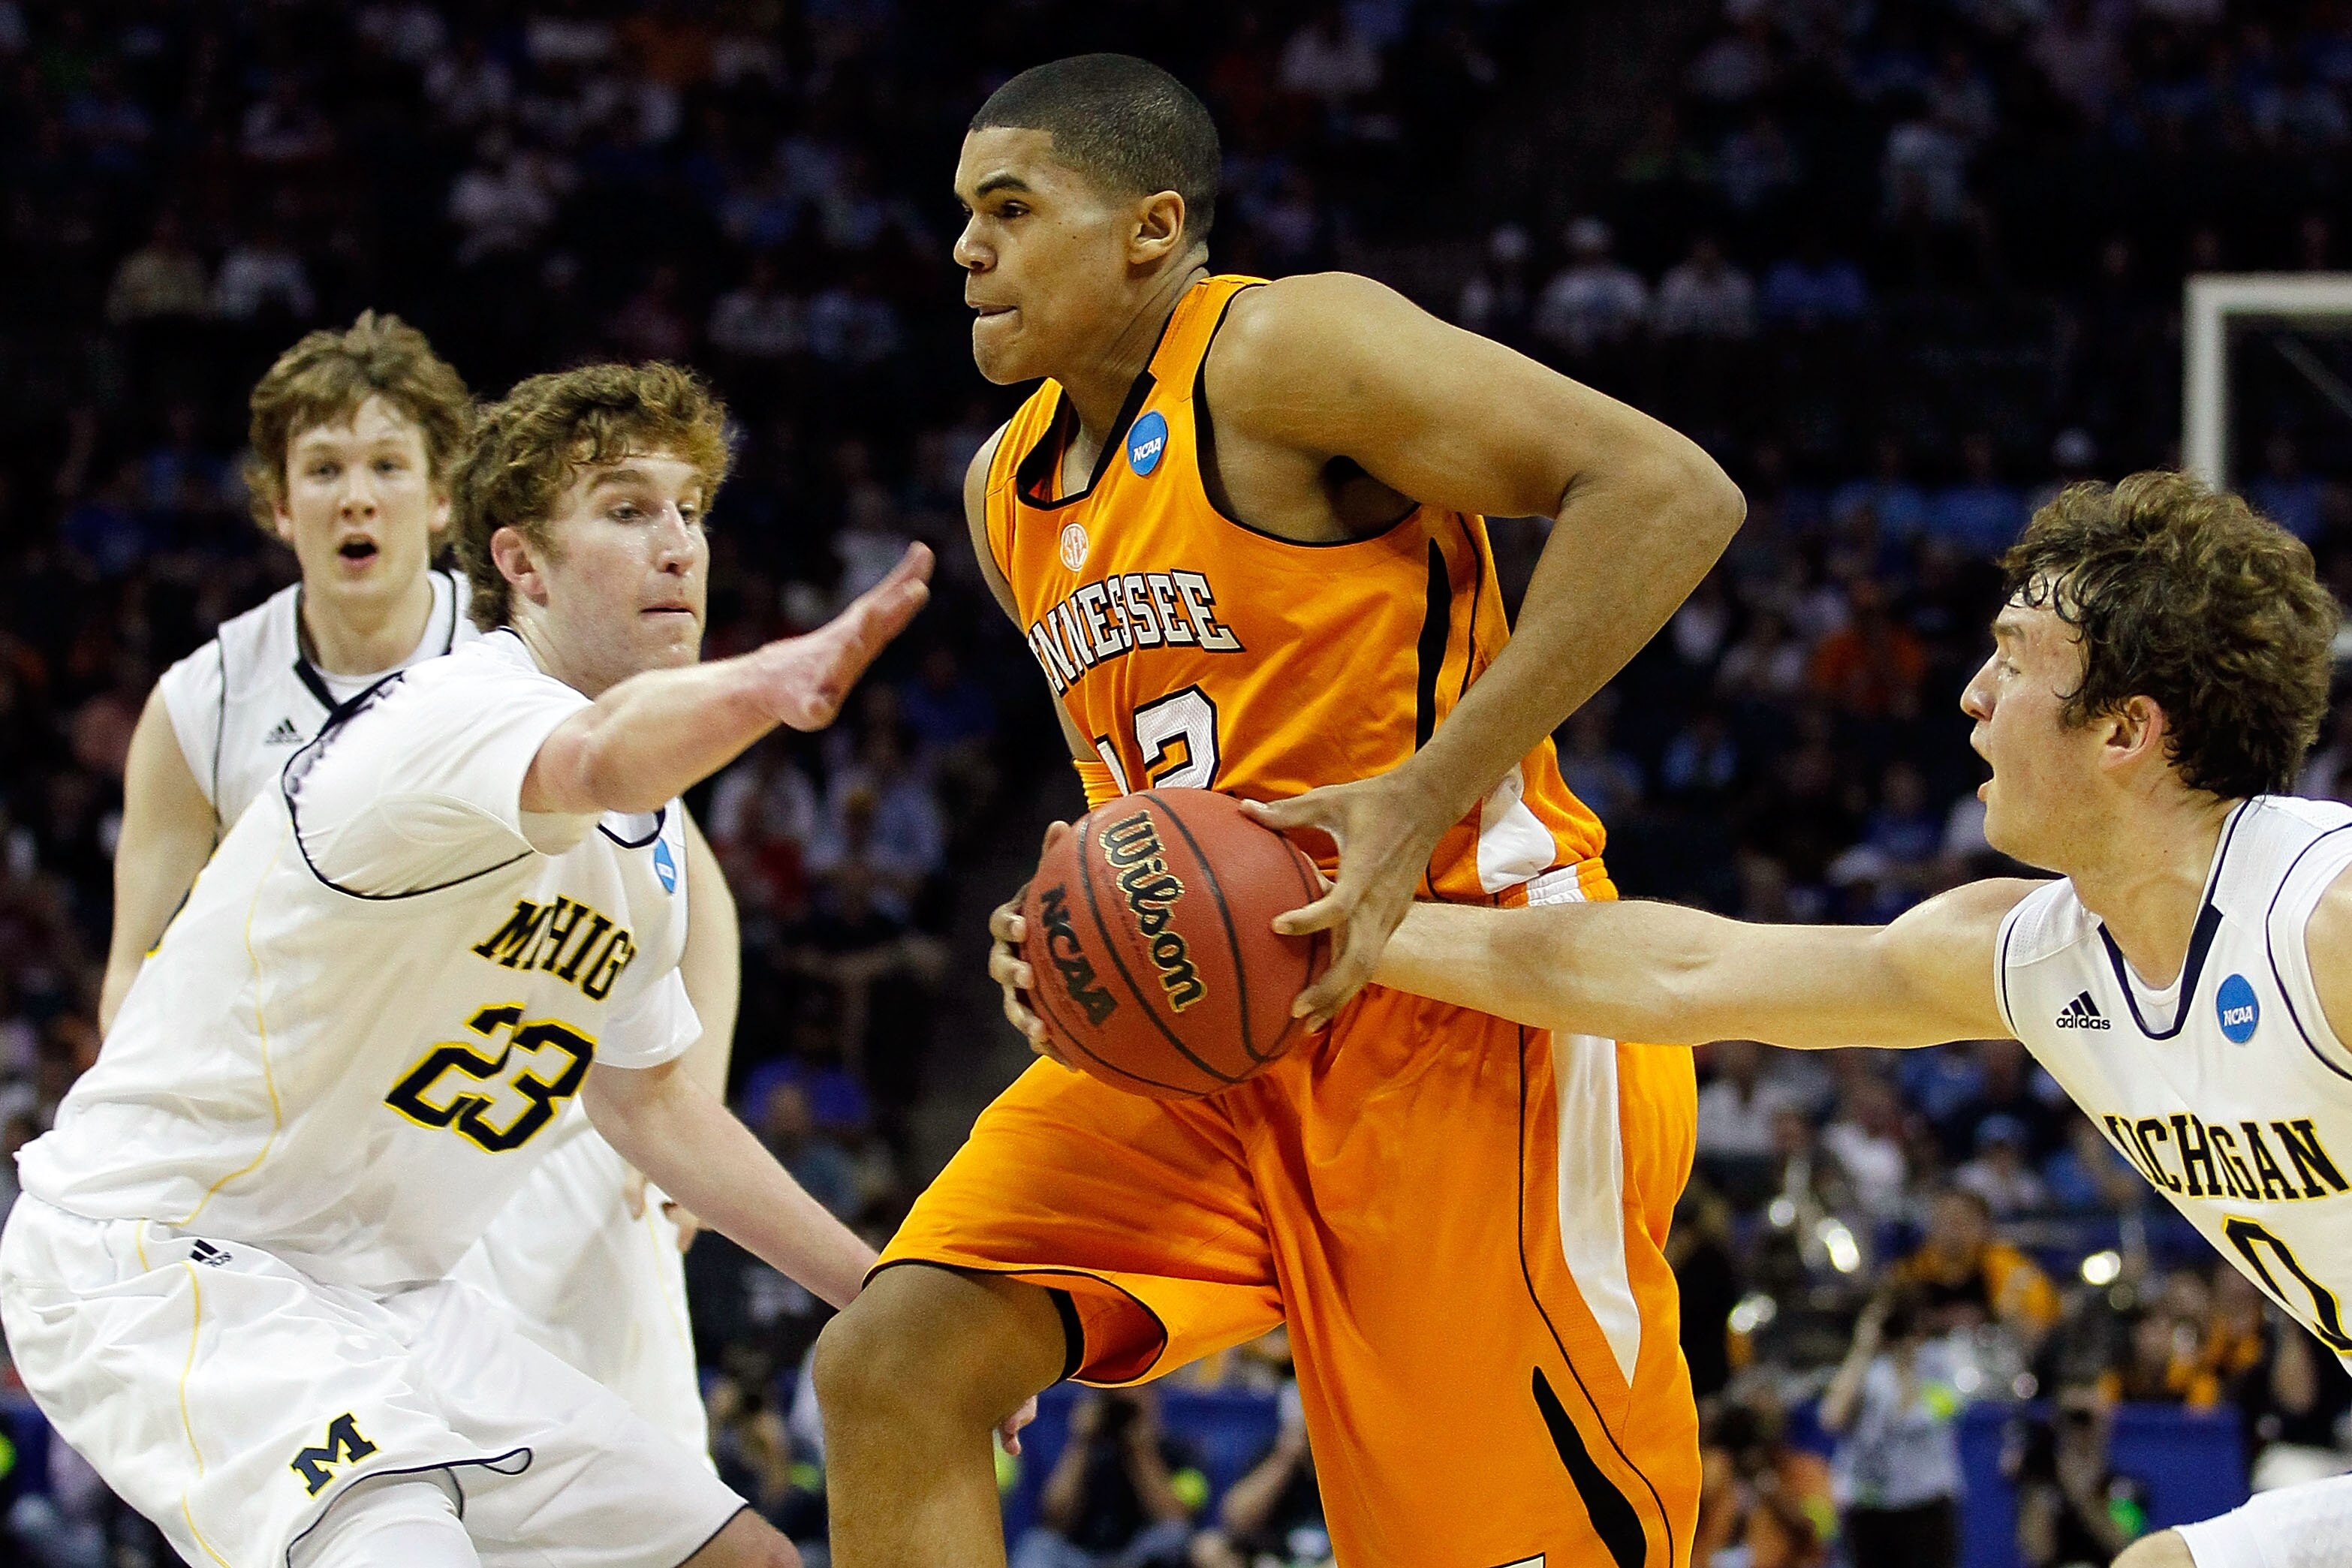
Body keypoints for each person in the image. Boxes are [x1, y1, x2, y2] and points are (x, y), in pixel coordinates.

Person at [815, 52, 1745, 1568]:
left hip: (1465, 1006)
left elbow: (1667, 492)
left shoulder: (1283, 346)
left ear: (1148, 226)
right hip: (1215, 1029)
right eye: (961, 215)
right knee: (894, 1364)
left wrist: (1421, 796)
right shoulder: (1007, 490)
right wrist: (1061, 930)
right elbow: (1140, 801)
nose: (965, 249)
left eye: (1009, 207)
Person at [0, 361, 943, 1568]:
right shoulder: (450, 712)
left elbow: (653, 1103)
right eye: (626, 509)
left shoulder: (646, 854)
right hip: (166, 1258)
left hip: (390, 1288)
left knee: (743, 1557)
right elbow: (599, 754)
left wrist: (880, 1288)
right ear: (520, 563)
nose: (676, 547)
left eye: (690, 511)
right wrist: (770, 679)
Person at [1369, 471, 2352, 1568]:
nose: (1973, 695)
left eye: (2014, 657)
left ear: (2126, 729)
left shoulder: (2322, 917)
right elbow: (1687, 971)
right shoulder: (2036, 954)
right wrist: (1359, 934)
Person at [98, 312, 736, 1458]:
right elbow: (137, 964)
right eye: (325, 470)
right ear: (276, 505)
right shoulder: (205, 703)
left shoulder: (527, 645)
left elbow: (689, 899)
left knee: (659, 1498)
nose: (360, 499)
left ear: (446, 501)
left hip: (550, 1138)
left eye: (390, 467)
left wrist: (697, 1105)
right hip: (343, 1179)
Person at [1820, 1287, 1964, 1568]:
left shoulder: (1940, 1363)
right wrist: (1862, 1349)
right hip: (1867, 1506)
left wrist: (1906, 1359)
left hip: (1923, 1504)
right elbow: (1833, 1417)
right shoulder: (1865, 1368)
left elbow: (1912, 1416)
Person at [1013, 1388, 1204, 1568]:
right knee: (1037, 1544)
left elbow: (1175, 1518)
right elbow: (1053, 1518)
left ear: (1153, 1398)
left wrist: (1139, 1448)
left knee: (1174, 1536)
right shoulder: (1086, 1448)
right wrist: (1081, 1443)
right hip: (1082, 1556)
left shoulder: (1181, 1451)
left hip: (1138, 1556)